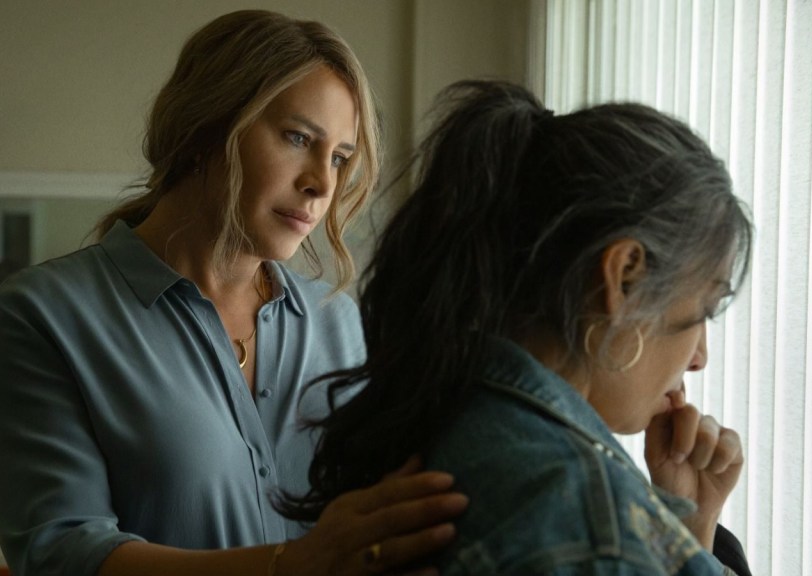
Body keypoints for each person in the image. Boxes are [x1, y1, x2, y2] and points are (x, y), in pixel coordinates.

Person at [0, 10, 466, 576]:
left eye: (339, 157)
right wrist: (291, 565)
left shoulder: (339, 322)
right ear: (205, 129)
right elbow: (61, 554)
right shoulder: (43, 315)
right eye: (298, 138)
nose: (322, 184)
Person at [280, 81, 754, 575]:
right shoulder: (589, 527)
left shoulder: (442, 413)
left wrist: (688, 531)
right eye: (703, 308)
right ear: (623, 277)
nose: (699, 356)